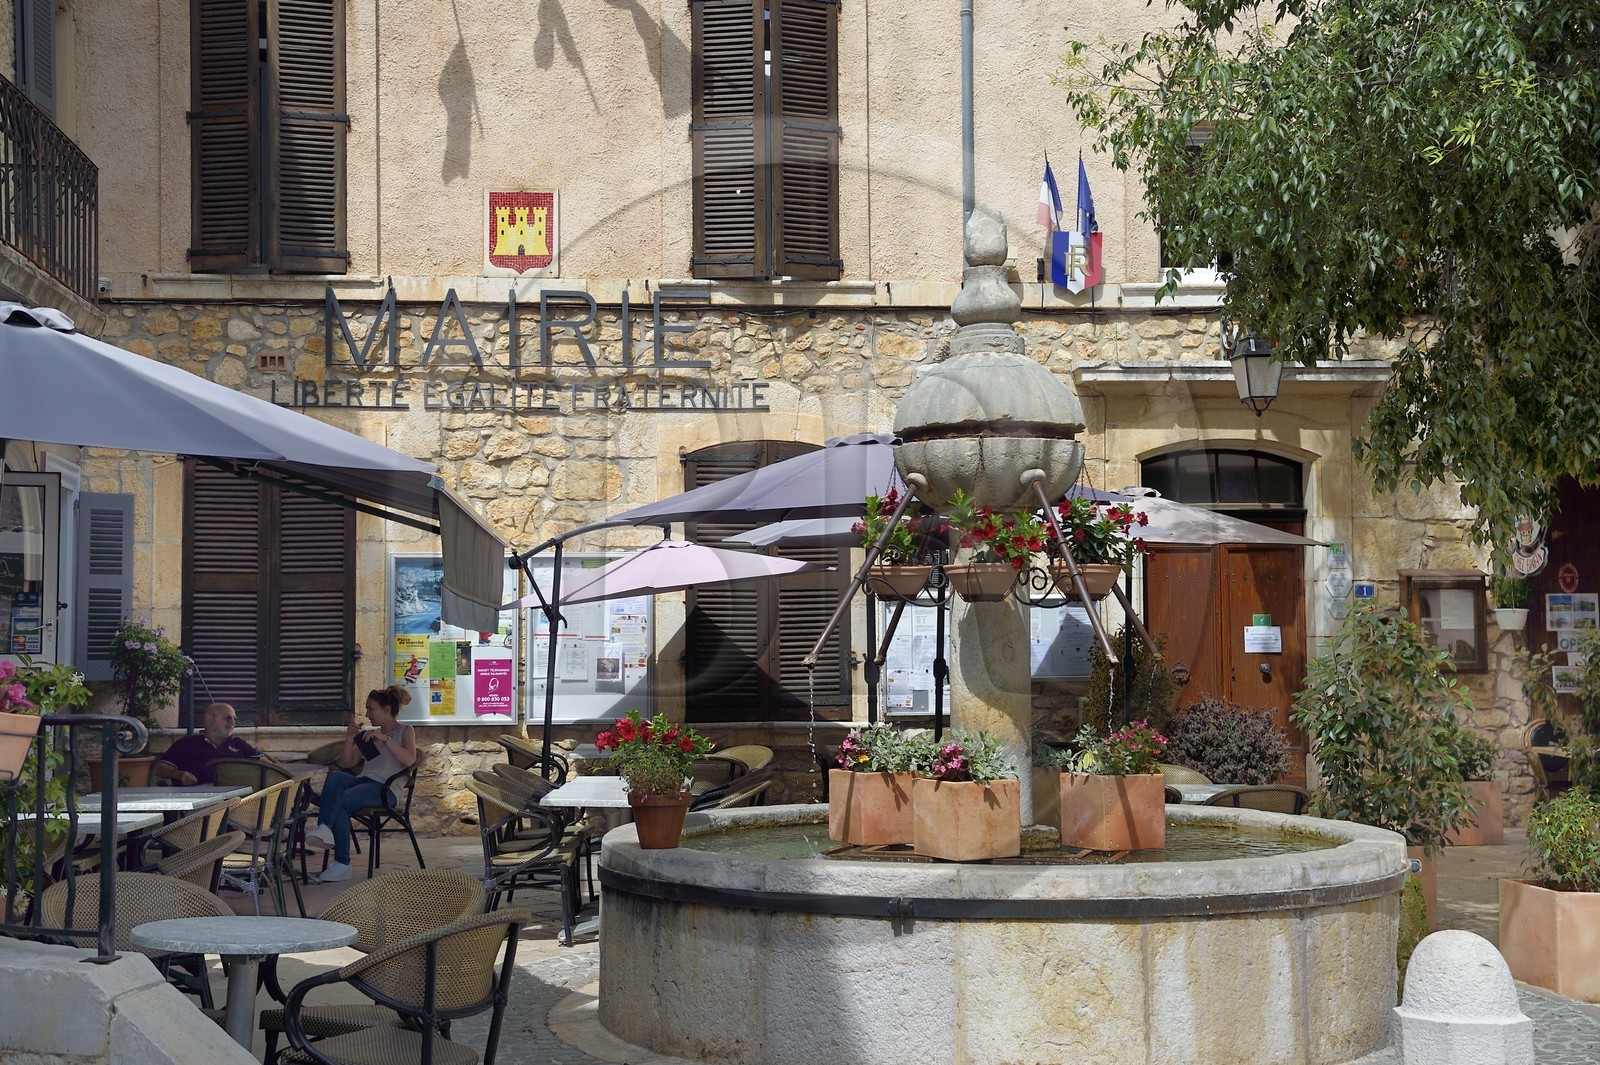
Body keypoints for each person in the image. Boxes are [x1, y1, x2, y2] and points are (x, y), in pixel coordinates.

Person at [303, 685, 417, 882]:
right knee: (336, 777)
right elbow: (347, 763)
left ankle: (342, 863)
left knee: (340, 801)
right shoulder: (370, 736)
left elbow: (409, 760)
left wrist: (385, 739)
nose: (367, 714)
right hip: (365, 782)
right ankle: (325, 828)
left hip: (386, 790)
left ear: (386, 710)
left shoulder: (405, 731)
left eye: (370, 709)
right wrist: (349, 738)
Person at [153, 703, 278, 786]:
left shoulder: (239, 744)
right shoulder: (186, 744)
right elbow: (159, 769)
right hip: (200, 804)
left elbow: (266, 763)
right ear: (210, 719)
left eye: (235, 719)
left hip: (235, 804)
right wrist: (179, 774)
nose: (232, 723)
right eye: (228, 718)